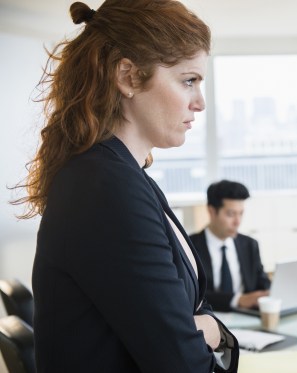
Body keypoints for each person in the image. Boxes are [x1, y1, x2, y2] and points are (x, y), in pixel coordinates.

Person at [12, 1, 239, 371]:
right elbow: (181, 362)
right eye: (188, 80)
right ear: (129, 77)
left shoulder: (123, 175)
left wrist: (206, 326)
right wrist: (214, 330)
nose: (199, 102)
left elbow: (186, 309)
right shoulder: (105, 186)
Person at [190, 180, 271, 312]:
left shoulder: (250, 245)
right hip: (208, 318)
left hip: (247, 319)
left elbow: (262, 284)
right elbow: (192, 293)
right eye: (231, 214)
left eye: (241, 213)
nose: (237, 222)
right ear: (211, 211)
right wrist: (238, 300)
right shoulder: (190, 246)